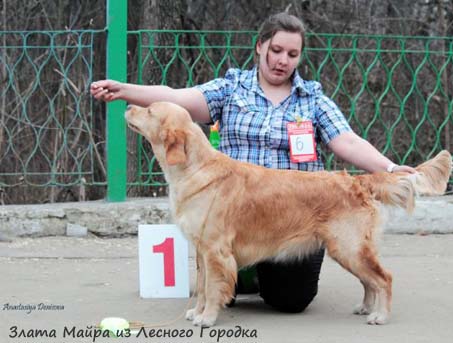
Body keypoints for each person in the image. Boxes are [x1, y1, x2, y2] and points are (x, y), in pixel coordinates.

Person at [91, 12, 416, 313]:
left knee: (291, 301)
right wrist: (125, 90)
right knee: (224, 276)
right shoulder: (231, 88)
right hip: (237, 210)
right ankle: (243, 274)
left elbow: (347, 141)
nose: (282, 60)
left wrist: (388, 168)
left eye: (292, 54)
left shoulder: (313, 98)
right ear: (260, 47)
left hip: (296, 213)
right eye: (276, 50)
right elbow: (175, 99)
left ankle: (258, 275)